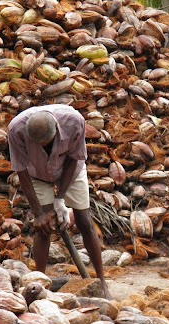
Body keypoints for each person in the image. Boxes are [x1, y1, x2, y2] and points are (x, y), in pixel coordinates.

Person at [7, 104, 110, 298]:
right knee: (44, 226)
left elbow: (74, 159)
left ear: (55, 130)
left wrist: (60, 198)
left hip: (70, 171)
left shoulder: (74, 122)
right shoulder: (16, 129)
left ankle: (102, 283)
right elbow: (21, 171)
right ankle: (40, 284)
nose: (44, 149)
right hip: (36, 174)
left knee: (84, 220)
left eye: (47, 144)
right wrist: (39, 213)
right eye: (39, 146)